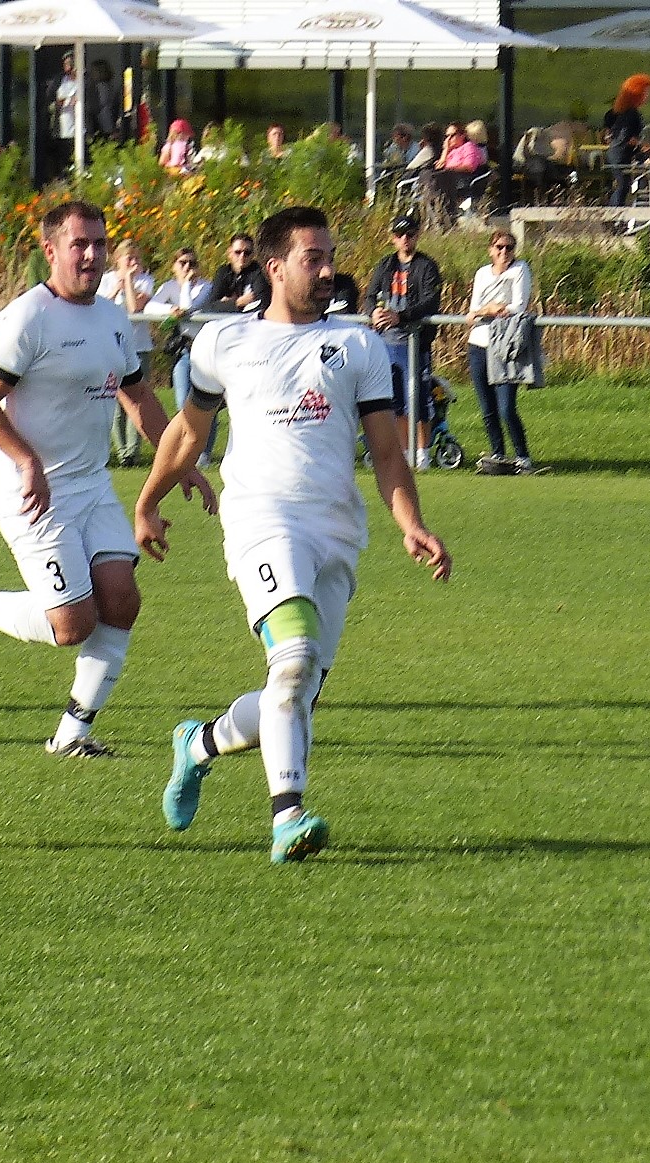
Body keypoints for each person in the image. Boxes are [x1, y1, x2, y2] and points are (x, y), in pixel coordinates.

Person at [137, 204, 451, 864]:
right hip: (260, 520)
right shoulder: (224, 342)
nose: (328, 269)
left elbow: (387, 451)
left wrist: (412, 523)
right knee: (295, 656)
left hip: (335, 530)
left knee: (294, 690)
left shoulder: (359, 346)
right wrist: (147, 502)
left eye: (331, 257)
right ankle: (289, 816)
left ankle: (197, 744)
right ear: (275, 267)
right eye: (314, 258)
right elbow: (188, 432)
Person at [0, 200, 214, 759]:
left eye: (99, 244)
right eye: (79, 244)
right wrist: (25, 460)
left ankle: (72, 736)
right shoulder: (27, 317)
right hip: (30, 491)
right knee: (71, 625)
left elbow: (138, 397)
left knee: (121, 600)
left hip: (91, 485)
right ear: (51, 250)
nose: (91, 255)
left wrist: (181, 462)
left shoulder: (112, 317)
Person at [364, 215, 443, 454]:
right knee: (395, 401)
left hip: (415, 342)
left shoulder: (426, 266)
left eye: (409, 234)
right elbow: (370, 296)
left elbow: (431, 301)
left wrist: (401, 316)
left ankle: (422, 452)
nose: (405, 238)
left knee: (418, 400)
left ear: (417, 235)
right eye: (400, 235)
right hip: (387, 343)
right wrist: (374, 312)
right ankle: (405, 451)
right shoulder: (386, 265)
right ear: (393, 239)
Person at [467, 231, 536, 474]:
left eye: (509, 247)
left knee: (506, 407)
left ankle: (522, 456)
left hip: (505, 345)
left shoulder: (520, 270)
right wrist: (489, 309)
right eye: (499, 247)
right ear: (491, 250)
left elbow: (518, 305)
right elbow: (473, 310)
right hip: (479, 344)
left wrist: (494, 309)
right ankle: (498, 453)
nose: (504, 252)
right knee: (487, 408)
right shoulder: (482, 274)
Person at [98, 238, 155, 466]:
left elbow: (134, 308)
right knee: (115, 399)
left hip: (139, 347)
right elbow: (98, 306)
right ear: (118, 260)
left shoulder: (146, 281)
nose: (134, 262)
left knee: (137, 398)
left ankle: (133, 452)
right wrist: (115, 289)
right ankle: (121, 452)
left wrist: (130, 281)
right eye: (129, 258)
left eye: (137, 258)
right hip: (111, 345)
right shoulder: (105, 280)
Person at [152, 247, 214, 458]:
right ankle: (186, 453)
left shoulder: (206, 287)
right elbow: (151, 306)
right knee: (182, 404)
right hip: (183, 350)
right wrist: (169, 310)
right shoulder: (169, 287)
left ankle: (203, 455)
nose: (188, 267)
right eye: (183, 263)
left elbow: (189, 307)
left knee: (206, 402)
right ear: (174, 266)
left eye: (192, 263)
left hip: (203, 349)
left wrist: (186, 283)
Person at [603, 73, 650, 206]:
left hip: (615, 152)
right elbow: (628, 137)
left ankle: (615, 211)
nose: (648, 95)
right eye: (646, 92)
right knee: (623, 185)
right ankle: (615, 212)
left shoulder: (622, 111)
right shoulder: (632, 114)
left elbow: (614, 134)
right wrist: (643, 144)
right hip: (620, 154)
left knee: (622, 184)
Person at [209, 232, 268, 314]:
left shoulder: (259, 272)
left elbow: (261, 304)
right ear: (229, 253)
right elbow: (211, 306)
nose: (242, 256)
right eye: (237, 252)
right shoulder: (223, 272)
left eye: (247, 253)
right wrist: (238, 302)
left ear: (253, 254)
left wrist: (226, 304)